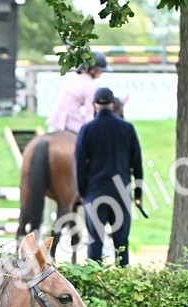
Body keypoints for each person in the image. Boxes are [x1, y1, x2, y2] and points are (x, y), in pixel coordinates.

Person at [74, 86, 144, 266]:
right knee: (121, 243)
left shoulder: (87, 130)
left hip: (95, 192)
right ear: (113, 104)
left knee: (95, 243)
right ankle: (124, 283)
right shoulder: (127, 128)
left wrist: (83, 193)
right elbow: (137, 164)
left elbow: (80, 165)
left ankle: (94, 283)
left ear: (94, 105)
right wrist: (138, 194)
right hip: (121, 192)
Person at [46, 51, 108, 135]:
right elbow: (90, 114)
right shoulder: (90, 86)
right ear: (93, 70)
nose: (102, 73)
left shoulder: (71, 77)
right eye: (101, 70)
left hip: (55, 124)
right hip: (73, 125)